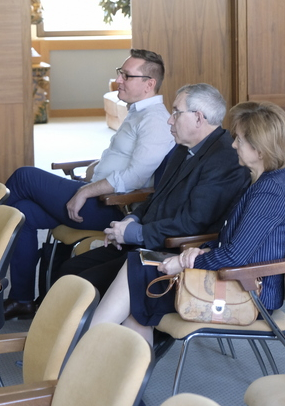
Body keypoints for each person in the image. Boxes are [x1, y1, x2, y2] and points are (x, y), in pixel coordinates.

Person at [89, 101, 285, 344]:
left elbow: (235, 256)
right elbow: (236, 244)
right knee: (139, 281)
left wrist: (184, 262)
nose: (233, 145)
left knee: (138, 272)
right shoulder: (267, 182)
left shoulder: (270, 191)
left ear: (260, 150)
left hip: (249, 293)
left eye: (239, 140)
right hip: (235, 280)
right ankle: (112, 359)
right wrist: (199, 252)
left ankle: (84, 347)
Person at [1, 49, 174, 319]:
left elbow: (135, 178)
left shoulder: (155, 121)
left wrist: (85, 190)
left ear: (149, 84)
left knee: (24, 177)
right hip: (97, 195)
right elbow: (122, 159)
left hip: (113, 208)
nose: (118, 80)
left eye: (126, 76)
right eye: (120, 73)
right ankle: (21, 299)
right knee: (22, 213)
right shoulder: (138, 111)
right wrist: (95, 169)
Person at [56, 83, 250, 294]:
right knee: (69, 269)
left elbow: (193, 223)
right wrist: (132, 219)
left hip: (172, 252)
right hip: (148, 239)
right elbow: (157, 196)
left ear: (198, 118)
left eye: (176, 112)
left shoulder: (225, 158)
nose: (170, 120)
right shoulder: (183, 147)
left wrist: (136, 233)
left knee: (81, 283)